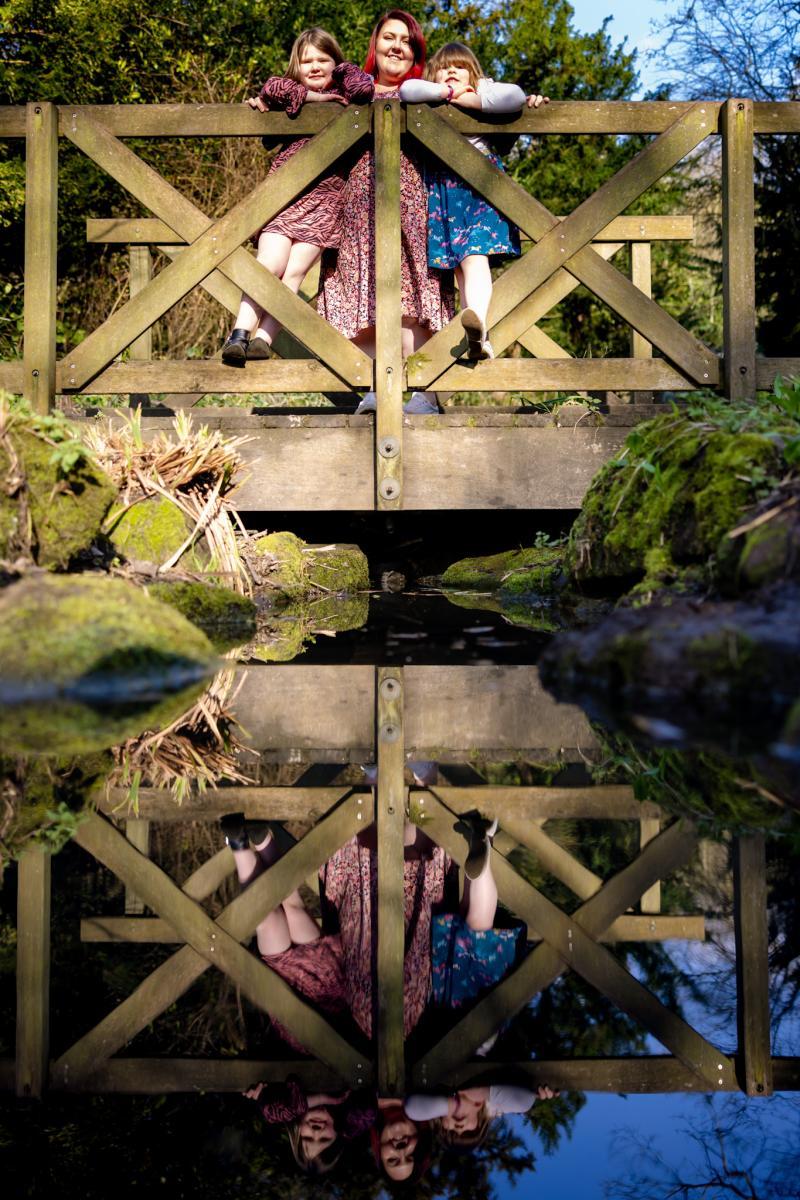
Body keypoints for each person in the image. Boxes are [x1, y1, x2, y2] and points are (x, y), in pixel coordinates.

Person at [317, 10, 456, 414]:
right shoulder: (351, 92)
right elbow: (302, 89)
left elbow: (481, 103)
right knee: (358, 295)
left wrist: (527, 105)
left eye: (406, 41)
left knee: (418, 298)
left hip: (414, 208)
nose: (397, 46)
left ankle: (426, 396)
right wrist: (265, 100)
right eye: (389, 37)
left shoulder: (428, 94)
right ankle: (374, 388)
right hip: (358, 209)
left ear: (416, 52)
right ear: (374, 44)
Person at [221, 29, 373, 364]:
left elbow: (364, 89)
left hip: (326, 202)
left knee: (294, 273)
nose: (315, 66)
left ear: (336, 62)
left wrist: (342, 72)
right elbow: (272, 87)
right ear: (297, 66)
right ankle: (239, 333)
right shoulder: (290, 93)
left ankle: (264, 339)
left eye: (324, 59)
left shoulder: (346, 94)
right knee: (271, 263)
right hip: (285, 195)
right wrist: (315, 99)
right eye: (307, 61)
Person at [400, 44, 549, 361]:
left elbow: (515, 97)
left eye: (460, 67)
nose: (451, 72)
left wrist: (475, 98)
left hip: (480, 188)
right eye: (444, 68)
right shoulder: (433, 96)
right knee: (461, 269)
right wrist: (446, 92)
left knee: (474, 258)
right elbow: (407, 90)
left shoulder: (483, 90)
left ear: (474, 74)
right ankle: (479, 337)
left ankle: (479, 322)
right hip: (444, 193)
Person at [404, 1084, 557, 1148]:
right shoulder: (493, 1105)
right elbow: (523, 1102)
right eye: (469, 1132)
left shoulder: (433, 1091)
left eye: (450, 1131)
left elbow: (411, 1109)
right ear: (481, 1122)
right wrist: (481, 1093)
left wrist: (455, 1104)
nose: (459, 1129)